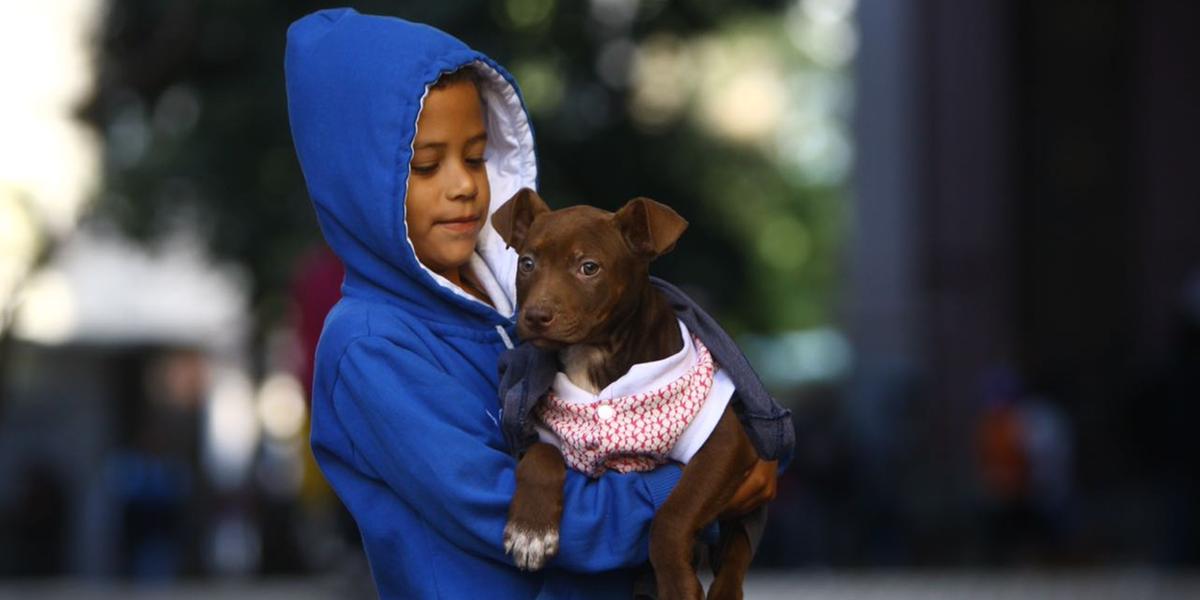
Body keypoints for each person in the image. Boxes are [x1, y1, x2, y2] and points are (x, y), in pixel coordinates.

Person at [285, 9, 779, 599]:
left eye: (474, 156)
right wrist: (689, 490)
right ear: (359, 183)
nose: (464, 184)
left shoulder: (503, 309)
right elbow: (497, 513)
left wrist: (718, 465)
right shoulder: (371, 345)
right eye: (425, 165)